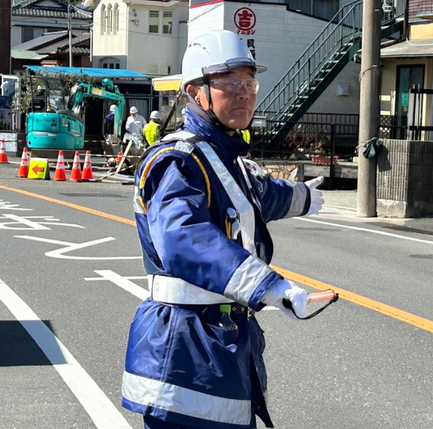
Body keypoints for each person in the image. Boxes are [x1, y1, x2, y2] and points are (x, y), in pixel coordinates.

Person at [121, 30, 326, 429]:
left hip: (220, 337)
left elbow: (259, 196)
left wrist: (302, 196)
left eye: (249, 84)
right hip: (184, 345)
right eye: (230, 84)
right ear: (195, 92)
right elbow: (183, 238)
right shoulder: (178, 161)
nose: (243, 95)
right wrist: (269, 286)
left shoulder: (226, 158)